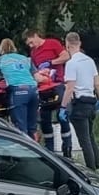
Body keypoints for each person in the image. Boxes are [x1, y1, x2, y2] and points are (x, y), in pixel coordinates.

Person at [0, 38, 39, 139]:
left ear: (1, 49)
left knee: (20, 128)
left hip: (18, 92)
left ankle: (23, 153)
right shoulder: (26, 59)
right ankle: (38, 150)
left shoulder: (1, 59)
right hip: (34, 91)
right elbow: (38, 78)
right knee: (32, 128)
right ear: (14, 47)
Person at [60, 30, 99, 170]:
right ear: (79, 44)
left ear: (67, 45)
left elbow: (70, 88)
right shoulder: (89, 61)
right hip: (91, 103)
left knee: (84, 141)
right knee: (91, 137)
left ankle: (92, 171)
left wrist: (63, 107)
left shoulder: (71, 63)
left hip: (80, 105)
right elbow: (97, 83)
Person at [25, 29, 72, 158]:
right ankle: (50, 150)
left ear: (35, 36)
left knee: (62, 117)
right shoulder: (33, 52)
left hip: (57, 85)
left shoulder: (53, 43)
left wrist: (51, 62)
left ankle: (67, 148)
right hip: (43, 87)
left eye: (31, 42)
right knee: (45, 119)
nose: (31, 45)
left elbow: (66, 56)